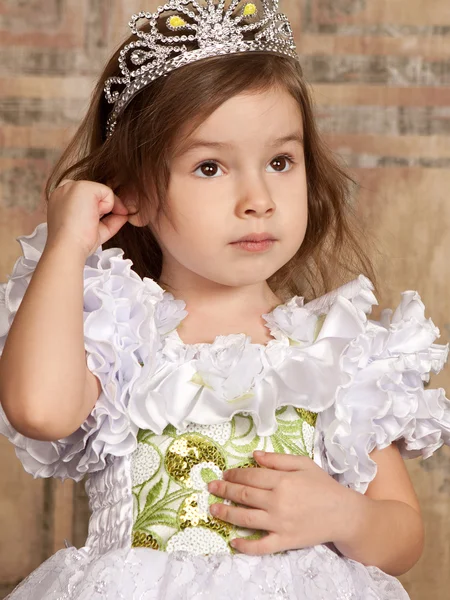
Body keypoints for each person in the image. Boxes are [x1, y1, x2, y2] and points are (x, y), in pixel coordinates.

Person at [0, 1, 449, 598]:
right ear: (134, 190)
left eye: (280, 162)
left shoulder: (336, 350)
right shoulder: (122, 334)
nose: (257, 199)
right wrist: (67, 245)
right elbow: (38, 409)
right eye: (210, 167)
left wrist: (345, 515)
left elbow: (403, 536)